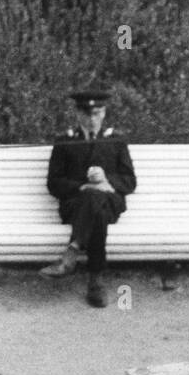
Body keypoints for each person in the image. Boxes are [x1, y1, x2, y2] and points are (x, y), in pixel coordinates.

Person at [40, 88, 136, 307]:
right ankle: (95, 281)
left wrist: (107, 180)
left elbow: (130, 181)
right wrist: (82, 186)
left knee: (98, 202)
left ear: (104, 113)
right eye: (87, 114)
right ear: (78, 114)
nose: (92, 119)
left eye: (97, 113)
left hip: (111, 201)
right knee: (95, 207)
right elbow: (53, 183)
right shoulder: (64, 141)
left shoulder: (116, 140)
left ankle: (72, 252)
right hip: (76, 203)